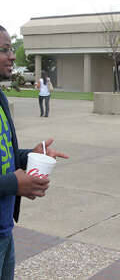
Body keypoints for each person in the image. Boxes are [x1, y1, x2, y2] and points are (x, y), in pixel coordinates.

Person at [0, 25, 68, 279]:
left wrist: (30, 156)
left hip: (5, 229)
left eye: (11, 49)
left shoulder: (0, 100)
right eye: (5, 49)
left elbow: (5, 157)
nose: (12, 56)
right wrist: (12, 184)